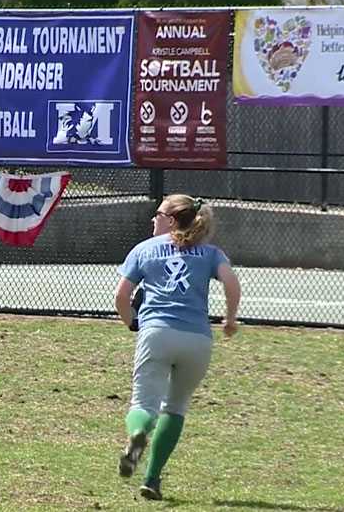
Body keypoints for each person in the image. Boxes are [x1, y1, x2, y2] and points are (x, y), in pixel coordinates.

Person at [113, 194, 241, 501]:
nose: (152, 219)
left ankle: (137, 434)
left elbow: (121, 296)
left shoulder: (144, 249)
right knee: (176, 406)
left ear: (171, 220)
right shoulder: (210, 253)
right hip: (197, 339)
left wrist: (132, 322)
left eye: (158, 214)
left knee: (143, 404)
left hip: (157, 333)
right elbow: (231, 282)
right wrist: (231, 319)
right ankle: (153, 479)